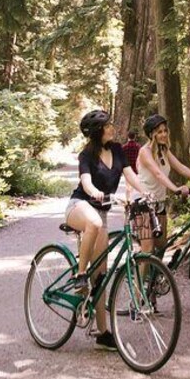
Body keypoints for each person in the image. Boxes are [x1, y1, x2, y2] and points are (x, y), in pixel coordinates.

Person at [65, 109, 149, 351]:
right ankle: (80, 276)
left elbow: (129, 174)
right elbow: (86, 181)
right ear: (98, 131)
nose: (113, 128)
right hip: (79, 206)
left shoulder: (118, 151)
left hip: (100, 213)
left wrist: (145, 191)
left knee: (100, 275)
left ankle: (102, 333)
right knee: (94, 223)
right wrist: (94, 193)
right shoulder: (87, 155)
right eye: (108, 125)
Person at [136, 114, 190, 256]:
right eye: (159, 132)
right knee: (147, 250)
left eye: (165, 131)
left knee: (161, 247)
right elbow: (158, 174)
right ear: (151, 134)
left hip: (159, 203)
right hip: (143, 204)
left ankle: (156, 278)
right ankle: (139, 279)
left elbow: (181, 167)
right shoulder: (144, 152)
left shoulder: (164, 150)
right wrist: (176, 189)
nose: (164, 134)